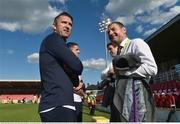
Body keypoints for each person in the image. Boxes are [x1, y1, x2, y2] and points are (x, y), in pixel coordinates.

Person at [107, 21, 158, 122]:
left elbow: (152, 68)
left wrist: (124, 73)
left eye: (113, 29)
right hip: (122, 99)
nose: (110, 33)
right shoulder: (119, 52)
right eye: (108, 32)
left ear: (124, 30)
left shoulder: (136, 43)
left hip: (136, 99)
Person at [38, 12, 83, 122]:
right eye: (63, 22)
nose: (67, 26)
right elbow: (77, 66)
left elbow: (75, 79)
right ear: (54, 26)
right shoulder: (53, 39)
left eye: (70, 24)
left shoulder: (58, 43)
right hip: (57, 104)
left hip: (60, 104)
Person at [67, 42, 87, 122]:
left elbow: (80, 84)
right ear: (70, 51)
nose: (79, 51)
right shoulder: (67, 65)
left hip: (77, 101)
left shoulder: (75, 65)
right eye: (77, 49)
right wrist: (84, 95)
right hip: (71, 101)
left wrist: (81, 84)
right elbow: (73, 88)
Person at [100, 42, 120, 122]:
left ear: (117, 48)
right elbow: (102, 75)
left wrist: (118, 71)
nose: (109, 51)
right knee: (114, 117)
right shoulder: (111, 63)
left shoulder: (124, 58)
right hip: (114, 95)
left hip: (123, 93)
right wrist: (109, 72)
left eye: (110, 49)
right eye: (108, 50)